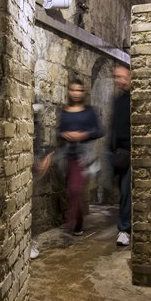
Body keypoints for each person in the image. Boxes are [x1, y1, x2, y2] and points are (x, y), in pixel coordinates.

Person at [57, 79, 103, 236]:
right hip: (68, 155)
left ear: (83, 92)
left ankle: (73, 224)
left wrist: (84, 134)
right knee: (72, 191)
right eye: (73, 90)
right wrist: (65, 134)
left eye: (79, 90)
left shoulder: (89, 111)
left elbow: (99, 131)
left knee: (74, 189)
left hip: (84, 155)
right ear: (69, 92)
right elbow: (59, 131)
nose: (76, 93)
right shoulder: (64, 112)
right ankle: (77, 223)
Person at [110, 64, 132, 247]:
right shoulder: (118, 101)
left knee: (126, 191)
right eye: (116, 77)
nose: (119, 80)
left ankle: (124, 229)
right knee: (124, 192)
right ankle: (125, 227)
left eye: (122, 76)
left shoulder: (135, 98)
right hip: (121, 154)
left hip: (134, 152)